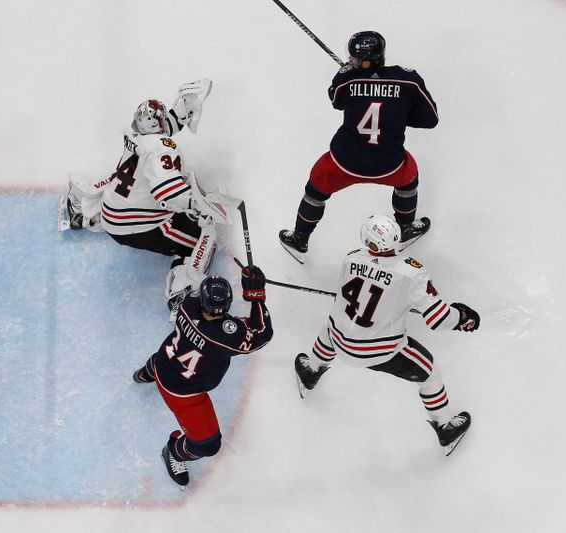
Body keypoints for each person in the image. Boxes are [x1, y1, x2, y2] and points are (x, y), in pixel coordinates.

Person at [294, 214, 480, 455]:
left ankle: (311, 372)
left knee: (333, 325)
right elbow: (439, 319)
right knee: (429, 373)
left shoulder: (351, 258)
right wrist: (462, 318)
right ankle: (445, 426)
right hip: (377, 351)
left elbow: (344, 295)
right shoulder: (411, 272)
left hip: (338, 339)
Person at [59, 79, 225, 319]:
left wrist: (182, 109)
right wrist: (196, 204)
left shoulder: (133, 133)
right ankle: (181, 293)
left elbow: (160, 127)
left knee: (123, 183)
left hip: (112, 206)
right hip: (131, 225)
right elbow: (166, 194)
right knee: (201, 238)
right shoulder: (161, 148)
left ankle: (83, 213)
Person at [279, 31, 439, 264]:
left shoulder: (349, 80)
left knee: (316, 188)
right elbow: (430, 120)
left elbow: (335, 100)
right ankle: (406, 228)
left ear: (367, 61)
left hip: (344, 163)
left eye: (354, 58)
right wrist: (398, 114)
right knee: (409, 178)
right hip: (389, 165)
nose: (351, 61)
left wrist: (344, 73)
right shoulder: (409, 80)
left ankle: (300, 238)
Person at [133, 267, 273, 486]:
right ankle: (174, 452)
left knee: (166, 357)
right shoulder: (227, 337)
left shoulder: (188, 303)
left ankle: (146, 372)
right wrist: (256, 297)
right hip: (184, 394)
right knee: (207, 445)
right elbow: (261, 334)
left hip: (164, 360)